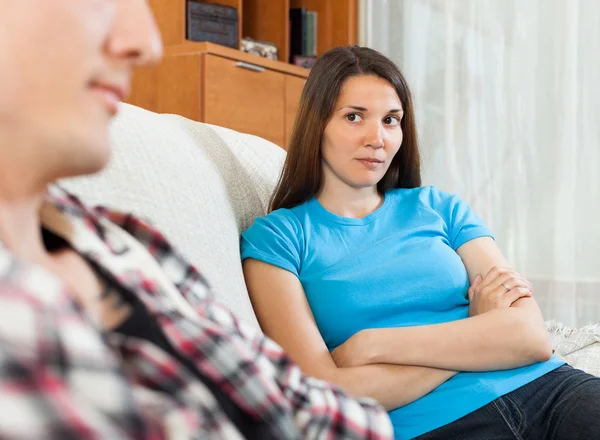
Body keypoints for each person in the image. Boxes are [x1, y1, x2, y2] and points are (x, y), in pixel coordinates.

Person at [0, 3, 394, 439]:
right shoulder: (278, 237)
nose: (147, 44)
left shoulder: (124, 239)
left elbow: (323, 412)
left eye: (391, 120)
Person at [241, 46, 600, 439]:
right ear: (317, 123)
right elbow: (324, 392)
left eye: (391, 120)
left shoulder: (439, 207)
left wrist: (370, 345)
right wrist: (478, 330)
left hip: (550, 391)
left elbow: (531, 338)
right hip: (433, 425)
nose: (376, 138)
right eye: (354, 116)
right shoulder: (277, 239)